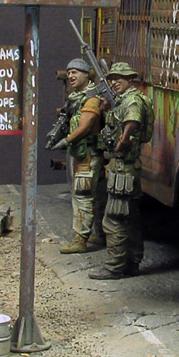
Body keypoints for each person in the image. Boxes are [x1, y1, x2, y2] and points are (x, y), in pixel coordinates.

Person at [89, 62, 152, 280]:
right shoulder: (125, 99)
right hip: (127, 166)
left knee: (113, 219)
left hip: (123, 166)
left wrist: (124, 140)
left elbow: (132, 120)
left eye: (119, 78)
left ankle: (114, 267)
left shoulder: (131, 99)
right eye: (112, 79)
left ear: (130, 80)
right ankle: (132, 262)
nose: (114, 82)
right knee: (130, 217)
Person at [53, 58, 107, 254]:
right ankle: (100, 234)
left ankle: (80, 240)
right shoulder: (77, 97)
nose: (70, 76)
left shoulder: (91, 99)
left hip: (88, 155)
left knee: (83, 196)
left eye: (75, 72)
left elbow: (85, 126)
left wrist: (67, 141)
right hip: (84, 154)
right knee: (96, 196)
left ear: (86, 74)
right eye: (69, 73)